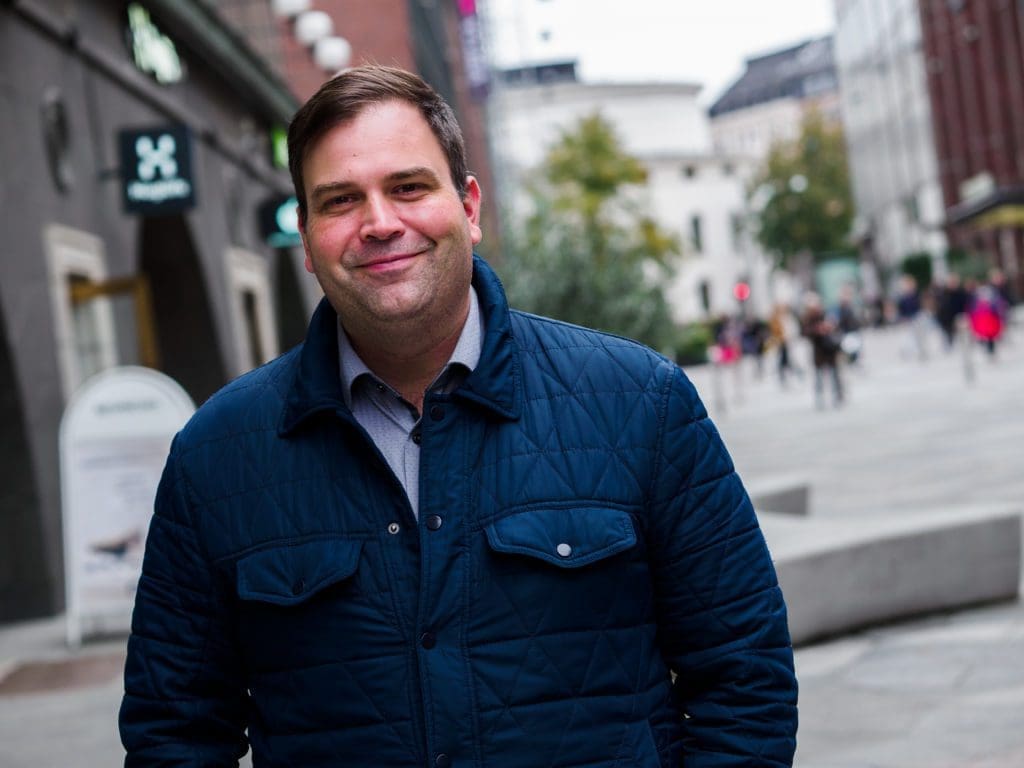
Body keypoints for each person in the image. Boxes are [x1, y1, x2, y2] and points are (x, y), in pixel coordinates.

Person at [119, 65, 797, 767]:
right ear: (308, 237)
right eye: (340, 201)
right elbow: (175, 731)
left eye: (408, 187)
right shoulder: (217, 457)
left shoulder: (641, 403)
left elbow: (744, 676)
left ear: (469, 207)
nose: (380, 224)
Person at [801, 292, 844, 409]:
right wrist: (817, 330)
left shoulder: (827, 314)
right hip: (819, 352)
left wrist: (829, 327)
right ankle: (820, 398)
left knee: (835, 374)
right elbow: (805, 333)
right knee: (819, 376)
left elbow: (837, 327)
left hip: (830, 350)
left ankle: (838, 395)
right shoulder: (808, 319)